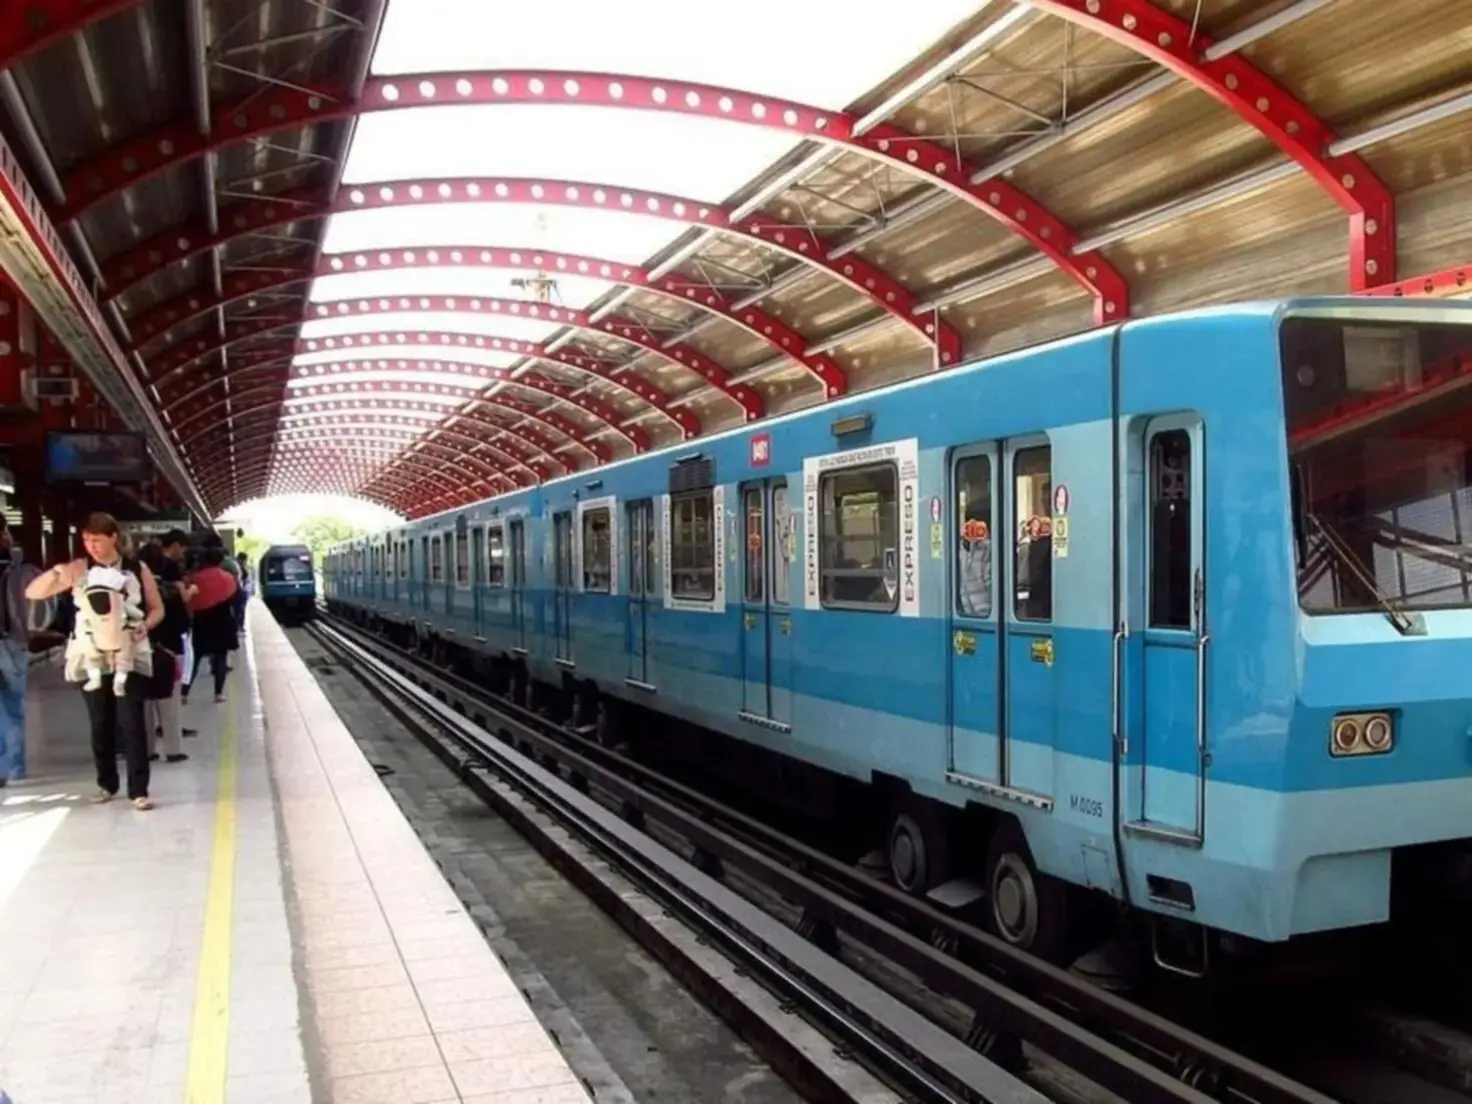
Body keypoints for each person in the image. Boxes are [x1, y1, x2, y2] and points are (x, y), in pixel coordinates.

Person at [25, 513, 163, 810]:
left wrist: (146, 626)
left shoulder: (137, 569)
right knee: (100, 721)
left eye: (97, 540)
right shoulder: (79, 569)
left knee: (132, 721)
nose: (92, 546)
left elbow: (156, 608)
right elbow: (32, 593)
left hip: (129, 650)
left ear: (113, 537)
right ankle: (106, 783)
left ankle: (138, 790)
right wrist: (55, 574)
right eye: (87, 540)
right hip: (91, 653)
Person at [139, 542, 192, 763]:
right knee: (169, 701)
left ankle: (148, 749)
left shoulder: (134, 591)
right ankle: (173, 749)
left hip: (140, 650)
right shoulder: (171, 590)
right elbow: (183, 624)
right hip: (171, 651)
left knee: (144, 702)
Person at [183, 547, 238, 704]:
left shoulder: (196, 578)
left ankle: (184, 693)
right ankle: (218, 694)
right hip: (224, 619)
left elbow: (191, 602)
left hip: (202, 620)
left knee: (195, 657)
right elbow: (234, 597)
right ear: (220, 560)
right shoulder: (228, 577)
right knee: (221, 657)